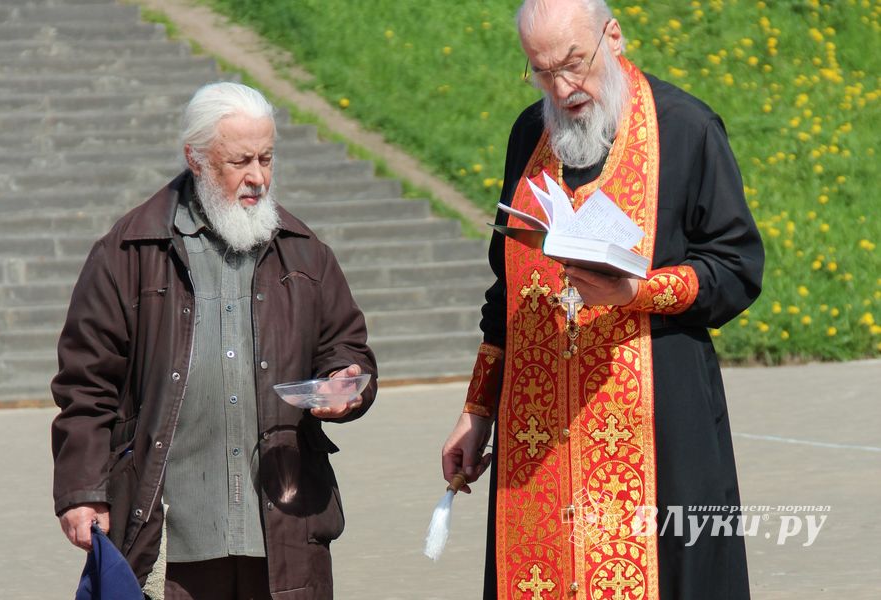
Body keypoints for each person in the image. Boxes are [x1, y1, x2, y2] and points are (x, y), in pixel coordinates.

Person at [441, 1, 764, 598]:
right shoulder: (529, 133)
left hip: (655, 422)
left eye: (573, 64)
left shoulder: (685, 128)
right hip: (537, 435)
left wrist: (636, 291)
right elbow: (504, 289)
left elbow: (736, 267)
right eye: (543, 72)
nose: (563, 89)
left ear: (612, 37)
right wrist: (477, 410)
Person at [51, 81, 377, 600]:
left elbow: (346, 346)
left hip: (283, 529)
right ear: (196, 159)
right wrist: (82, 490)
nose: (258, 177)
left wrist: (346, 380)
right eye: (240, 161)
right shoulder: (130, 251)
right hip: (169, 533)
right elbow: (86, 383)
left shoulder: (304, 252)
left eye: (266, 158)